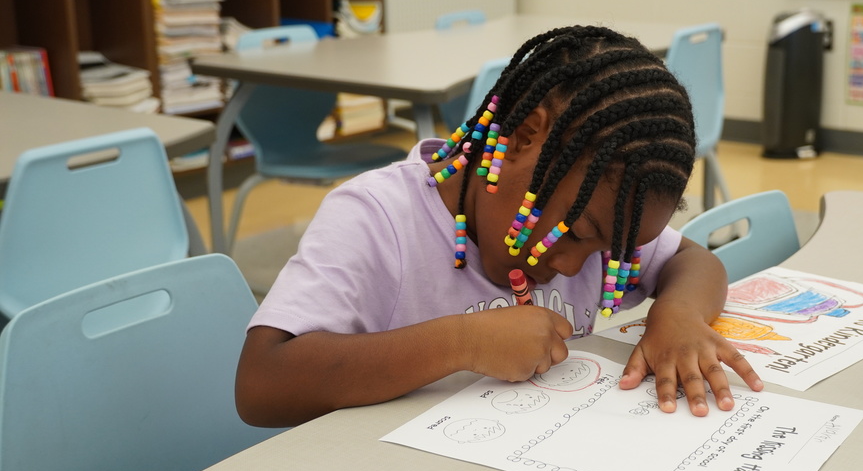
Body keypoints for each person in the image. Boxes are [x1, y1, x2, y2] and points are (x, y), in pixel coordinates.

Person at [235, 25, 763, 428]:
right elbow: (262, 384)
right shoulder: (377, 218)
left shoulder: (603, 222)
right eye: (576, 236)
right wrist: (460, 343)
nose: (575, 265)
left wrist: (678, 315)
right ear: (520, 140)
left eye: (614, 250)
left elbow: (696, 261)